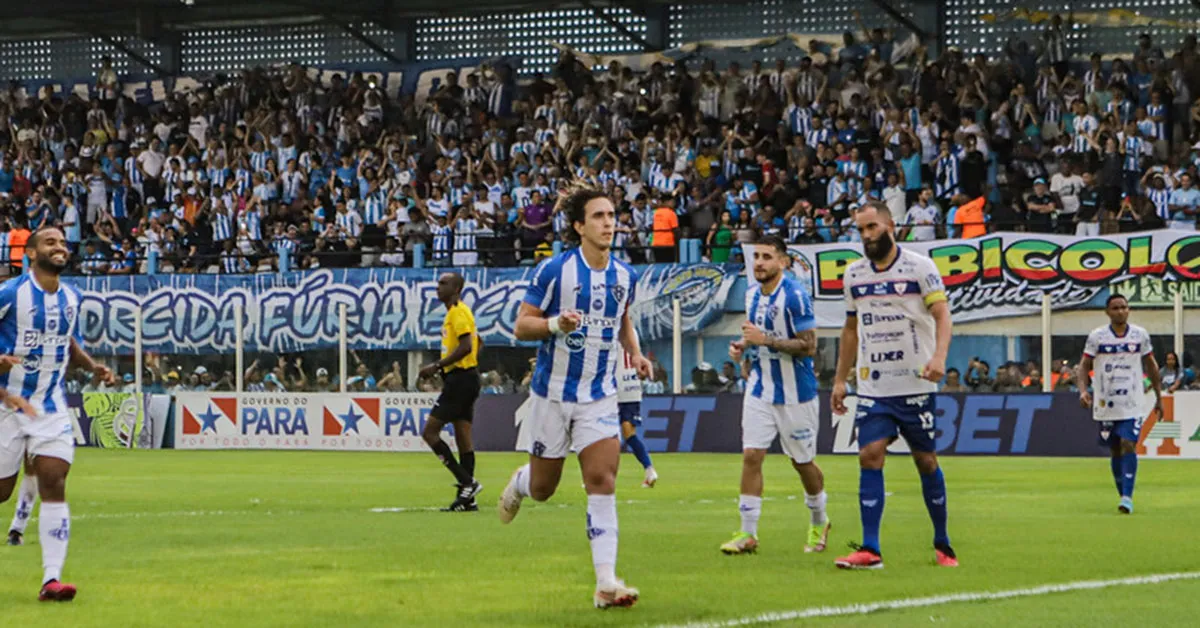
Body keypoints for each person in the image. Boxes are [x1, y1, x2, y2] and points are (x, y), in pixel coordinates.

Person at [496, 185, 650, 609]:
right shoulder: (554, 271)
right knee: (545, 488)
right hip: (552, 395)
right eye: (599, 216)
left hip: (599, 395)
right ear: (579, 226)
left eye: (612, 215)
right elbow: (521, 326)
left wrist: (635, 354)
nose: (609, 223)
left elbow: (623, 321)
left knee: (603, 481)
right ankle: (521, 482)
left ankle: (606, 584)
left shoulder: (625, 276)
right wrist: (554, 326)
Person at [830, 201, 958, 570]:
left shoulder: (920, 267)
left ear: (891, 226)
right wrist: (841, 378)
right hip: (874, 388)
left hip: (916, 385)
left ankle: (943, 543)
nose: (867, 236)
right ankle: (870, 549)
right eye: (861, 230)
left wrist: (939, 357)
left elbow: (942, 314)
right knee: (869, 455)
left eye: (872, 228)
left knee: (925, 461)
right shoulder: (854, 275)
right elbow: (851, 330)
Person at [0, 227, 112, 601]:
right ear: (31, 253)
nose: (60, 247)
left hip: (50, 405)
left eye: (63, 242)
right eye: (51, 242)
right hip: (7, 405)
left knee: (53, 478)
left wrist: (92, 366)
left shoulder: (72, 298)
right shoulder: (11, 294)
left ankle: (51, 580)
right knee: (1, 491)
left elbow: (66, 341)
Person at [720, 235, 830, 556]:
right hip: (760, 388)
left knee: (801, 462)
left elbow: (809, 345)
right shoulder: (752, 294)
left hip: (797, 394)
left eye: (767, 257)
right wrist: (743, 346)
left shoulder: (795, 296)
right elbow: (753, 333)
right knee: (752, 456)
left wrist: (764, 340)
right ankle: (748, 533)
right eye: (756, 256)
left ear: (783, 262)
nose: (759, 263)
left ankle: (819, 520)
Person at [1077, 294, 1163, 514]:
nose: (1120, 311)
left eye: (1124, 307)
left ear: (1129, 310)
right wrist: (1083, 391)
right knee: (1115, 448)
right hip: (1106, 401)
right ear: (1107, 312)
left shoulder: (1140, 335)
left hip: (1132, 401)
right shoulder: (1097, 337)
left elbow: (1151, 365)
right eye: (1115, 308)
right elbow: (1084, 365)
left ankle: (1127, 497)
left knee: (1128, 443)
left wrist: (1159, 397)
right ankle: (1122, 491)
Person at [418, 272, 483, 512]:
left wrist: (437, 366)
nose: (438, 287)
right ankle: (468, 500)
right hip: (465, 378)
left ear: (456, 288)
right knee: (463, 438)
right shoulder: (456, 312)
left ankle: (467, 482)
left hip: (460, 381)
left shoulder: (458, 311)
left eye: (443, 283)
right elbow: (478, 342)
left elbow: (467, 346)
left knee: (430, 433)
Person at [617, 329, 657, 488]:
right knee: (630, 435)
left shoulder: (611, 326)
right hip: (632, 387)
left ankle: (599, 476)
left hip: (614, 386)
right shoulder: (633, 331)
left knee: (606, 435)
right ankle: (649, 470)